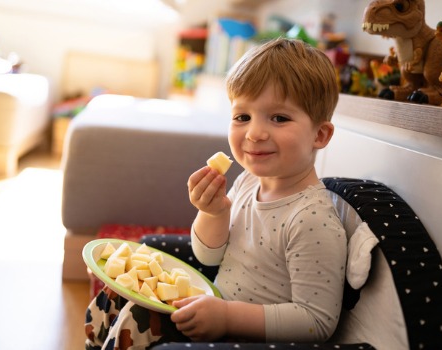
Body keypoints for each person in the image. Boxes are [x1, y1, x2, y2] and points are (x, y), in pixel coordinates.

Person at [85, 38, 347, 349]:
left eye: (279, 118)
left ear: (319, 134)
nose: (254, 133)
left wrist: (227, 317)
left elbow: (316, 322)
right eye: (242, 117)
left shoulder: (311, 219)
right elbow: (208, 256)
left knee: (138, 323)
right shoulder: (249, 182)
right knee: (120, 295)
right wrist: (214, 212)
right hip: (213, 310)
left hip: (246, 338)